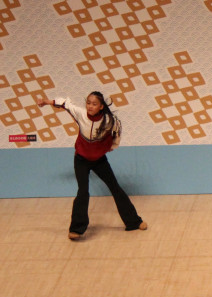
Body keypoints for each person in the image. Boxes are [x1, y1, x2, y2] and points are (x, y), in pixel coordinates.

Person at [37, 92, 147, 240]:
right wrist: (46, 101)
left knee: (115, 188)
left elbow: (117, 132)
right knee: (83, 192)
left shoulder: (109, 120)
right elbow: (64, 103)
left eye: (94, 104)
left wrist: (112, 146)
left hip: (99, 160)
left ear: (101, 107)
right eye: (88, 103)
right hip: (81, 160)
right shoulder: (80, 113)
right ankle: (76, 229)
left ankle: (134, 222)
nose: (90, 106)